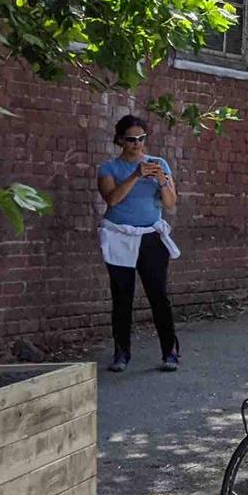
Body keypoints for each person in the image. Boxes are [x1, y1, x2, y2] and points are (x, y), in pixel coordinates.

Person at [96, 113, 180, 373]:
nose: (137, 144)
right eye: (131, 139)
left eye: (141, 138)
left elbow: (170, 203)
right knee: (122, 296)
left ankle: (170, 352)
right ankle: (122, 354)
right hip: (119, 235)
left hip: (150, 236)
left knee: (158, 295)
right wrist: (134, 175)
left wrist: (161, 180)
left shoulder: (158, 163)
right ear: (120, 140)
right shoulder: (109, 168)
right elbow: (111, 200)